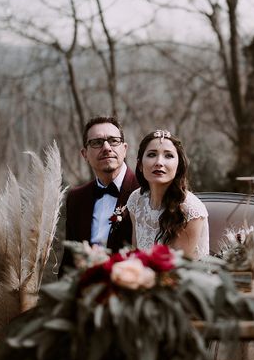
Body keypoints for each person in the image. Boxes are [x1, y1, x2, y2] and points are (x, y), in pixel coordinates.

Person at [62, 116, 138, 271]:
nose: (106, 147)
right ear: (84, 154)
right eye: (96, 142)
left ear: (124, 148)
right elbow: (69, 260)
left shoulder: (144, 190)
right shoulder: (76, 198)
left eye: (113, 141)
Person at [125, 130, 209, 259]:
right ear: (140, 165)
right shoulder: (136, 200)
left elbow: (178, 270)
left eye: (168, 156)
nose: (159, 162)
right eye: (152, 154)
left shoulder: (191, 210)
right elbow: (135, 254)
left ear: (179, 165)